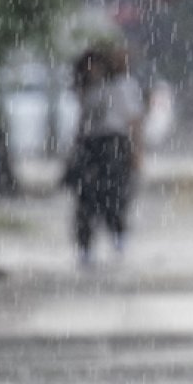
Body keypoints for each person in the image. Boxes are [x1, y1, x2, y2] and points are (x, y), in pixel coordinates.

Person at [67, 45, 146, 266]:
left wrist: (136, 150)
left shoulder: (123, 86)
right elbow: (82, 122)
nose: (93, 70)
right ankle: (84, 246)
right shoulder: (88, 89)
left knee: (113, 195)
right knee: (85, 198)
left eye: (97, 65)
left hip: (114, 144)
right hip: (90, 145)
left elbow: (134, 120)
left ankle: (118, 235)